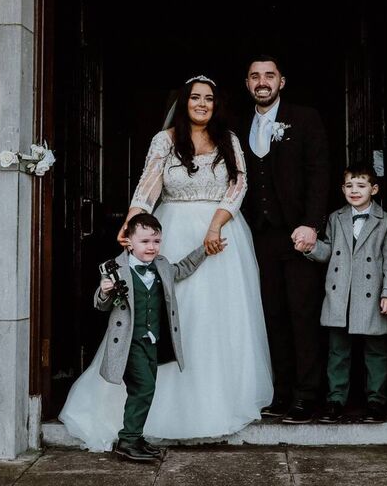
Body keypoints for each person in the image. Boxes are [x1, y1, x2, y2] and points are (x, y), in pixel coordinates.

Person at [60, 76, 272, 450]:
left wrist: (216, 225)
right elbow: (148, 186)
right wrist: (132, 222)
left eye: (208, 98)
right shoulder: (166, 140)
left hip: (222, 233)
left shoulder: (230, 140)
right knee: (175, 314)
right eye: (195, 97)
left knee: (218, 320)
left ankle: (217, 403)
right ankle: (155, 410)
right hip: (173, 231)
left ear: (216, 104)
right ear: (184, 101)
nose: (202, 103)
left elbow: (238, 186)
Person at [239, 56, 330, 424]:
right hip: (257, 237)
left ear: (282, 81)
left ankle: (308, 395)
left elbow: (319, 172)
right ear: (247, 84)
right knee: (271, 315)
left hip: (297, 236)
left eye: (269, 76)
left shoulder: (305, 118)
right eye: (255, 76)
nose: (262, 82)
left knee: (302, 314)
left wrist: (311, 224)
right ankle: (281, 392)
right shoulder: (235, 126)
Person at [92, 214, 218, 462]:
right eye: (145, 241)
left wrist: (204, 250)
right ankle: (127, 440)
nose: (151, 247)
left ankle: (134, 437)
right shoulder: (116, 270)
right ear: (128, 241)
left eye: (156, 241)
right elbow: (100, 304)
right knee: (143, 388)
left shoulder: (161, 265)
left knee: (144, 389)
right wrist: (105, 291)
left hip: (152, 341)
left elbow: (182, 268)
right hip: (129, 343)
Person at [301, 164, 387, 423]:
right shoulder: (336, 218)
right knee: (338, 351)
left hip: (371, 295)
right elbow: (328, 252)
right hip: (340, 294)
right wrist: (309, 248)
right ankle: (335, 400)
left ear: (374, 189)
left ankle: (376, 401)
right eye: (349, 186)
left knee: (376, 351)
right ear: (342, 189)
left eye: (361, 185)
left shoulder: (386, 221)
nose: (354, 191)